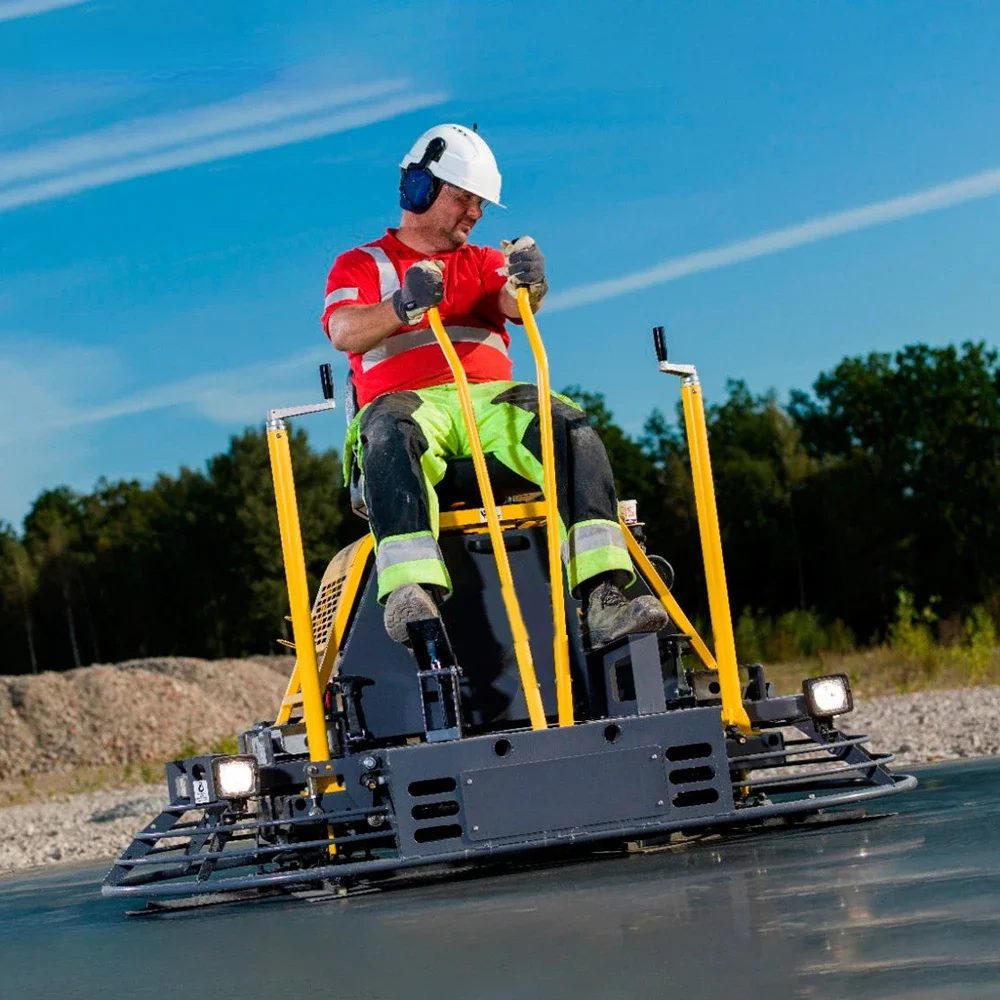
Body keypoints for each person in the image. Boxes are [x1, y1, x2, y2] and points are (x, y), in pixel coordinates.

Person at [322, 123, 669, 648]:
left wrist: (532, 280)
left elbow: (517, 302)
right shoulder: (361, 264)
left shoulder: (484, 261)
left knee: (567, 425)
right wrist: (403, 304)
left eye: (481, 203)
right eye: (464, 198)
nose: (475, 213)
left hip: (489, 404)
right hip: (407, 407)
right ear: (420, 188)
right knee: (388, 430)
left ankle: (603, 598)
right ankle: (410, 595)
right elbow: (343, 329)